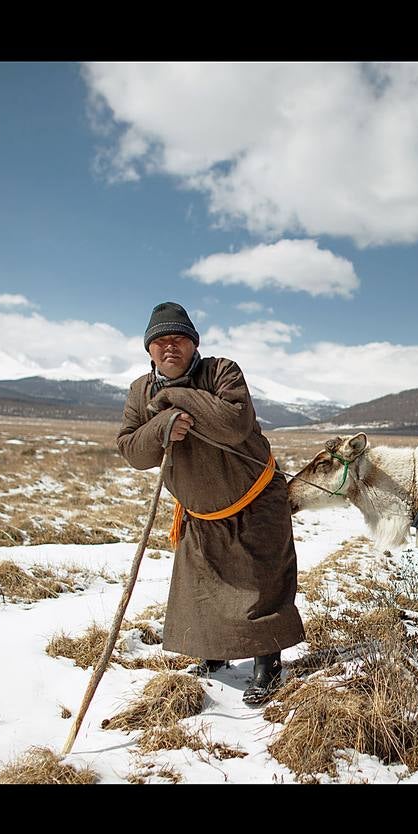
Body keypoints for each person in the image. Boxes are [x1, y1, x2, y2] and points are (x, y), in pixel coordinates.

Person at [117, 302, 304, 706]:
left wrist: (173, 399)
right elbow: (133, 451)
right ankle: (214, 655)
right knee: (203, 590)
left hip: (255, 500)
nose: (170, 347)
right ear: (149, 349)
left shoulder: (221, 371)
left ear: (193, 343)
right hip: (200, 513)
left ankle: (266, 666)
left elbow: (234, 423)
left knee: (261, 586)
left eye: (179, 338)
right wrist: (161, 427)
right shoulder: (138, 391)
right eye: (161, 341)